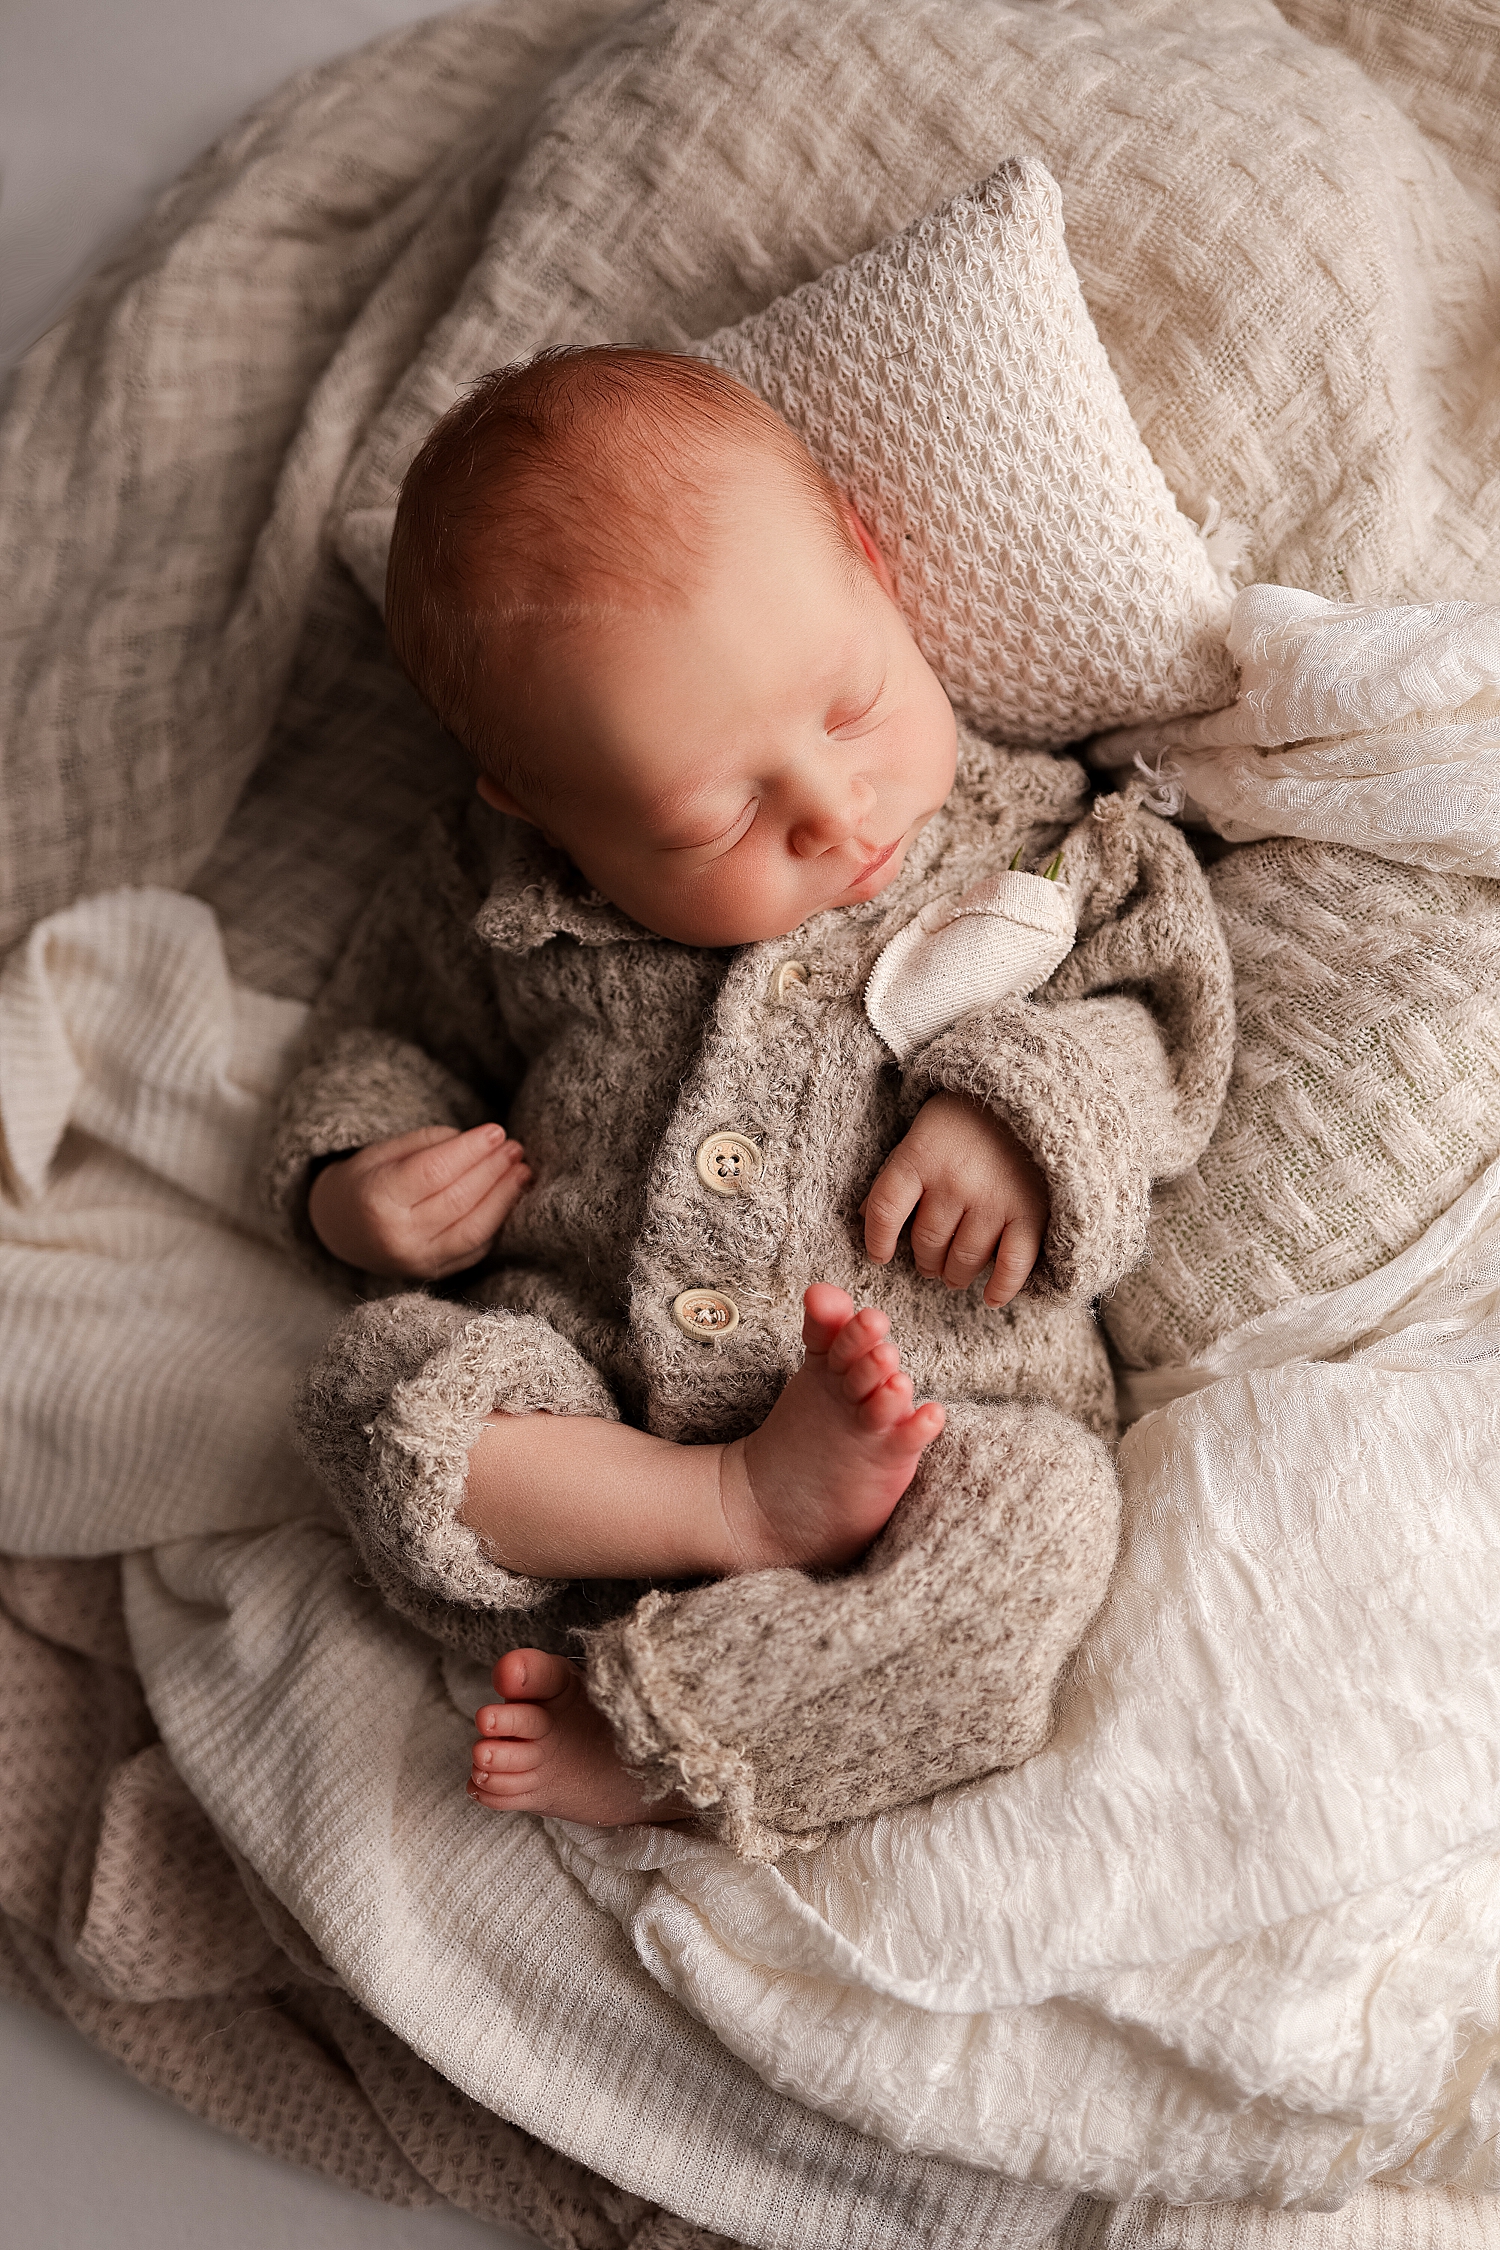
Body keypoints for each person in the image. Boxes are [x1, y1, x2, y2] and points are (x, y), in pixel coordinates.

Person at [267, 347, 1234, 1858]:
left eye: (849, 707)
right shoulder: (501, 894)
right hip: (592, 1423)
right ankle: (725, 1506)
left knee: (1044, 1533)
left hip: (937, 1427)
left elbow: (1165, 1004)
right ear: (541, 803)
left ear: (867, 562)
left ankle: (691, 1729)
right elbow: (382, 1032)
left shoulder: (1041, 837)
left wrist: (1023, 1109)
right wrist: (351, 1177)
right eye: (715, 811)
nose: (831, 810)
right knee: (372, 1390)